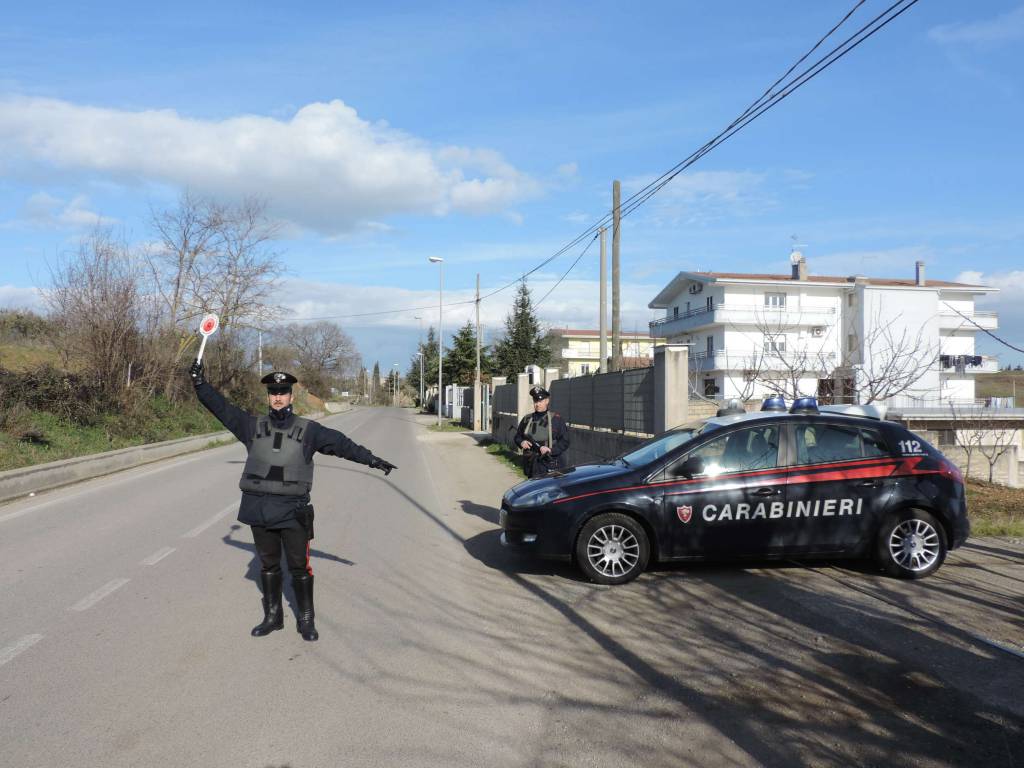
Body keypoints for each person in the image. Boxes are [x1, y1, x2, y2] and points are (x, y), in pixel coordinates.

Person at [189, 361, 397, 642]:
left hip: (292, 511)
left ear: (291, 395)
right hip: (259, 509)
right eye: (273, 392)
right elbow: (221, 408)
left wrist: (371, 459)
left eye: (283, 391)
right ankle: (273, 616)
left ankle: (306, 618)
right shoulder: (251, 426)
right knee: (269, 565)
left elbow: (342, 445)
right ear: (268, 396)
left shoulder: (309, 430)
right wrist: (200, 384)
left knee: (299, 566)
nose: (277, 396)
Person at [513, 385, 570, 478]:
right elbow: (517, 436)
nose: (537, 404)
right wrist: (521, 442)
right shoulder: (527, 419)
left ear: (547, 401)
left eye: (540, 401)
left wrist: (551, 450)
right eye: (535, 401)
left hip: (550, 465)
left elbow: (565, 441)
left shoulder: (556, 419)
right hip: (531, 464)